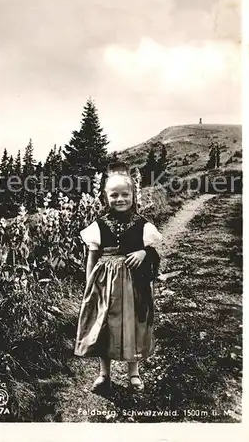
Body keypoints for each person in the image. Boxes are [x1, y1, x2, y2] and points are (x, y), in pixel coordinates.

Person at [74, 165, 162, 393]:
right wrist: (89, 285)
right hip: (104, 286)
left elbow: (153, 253)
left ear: (134, 196)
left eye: (125, 194)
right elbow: (92, 258)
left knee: (133, 324)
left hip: (134, 285)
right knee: (104, 326)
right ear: (105, 196)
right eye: (114, 195)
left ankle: (134, 373)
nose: (120, 199)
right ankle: (104, 374)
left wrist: (144, 253)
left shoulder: (143, 225)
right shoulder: (98, 226)